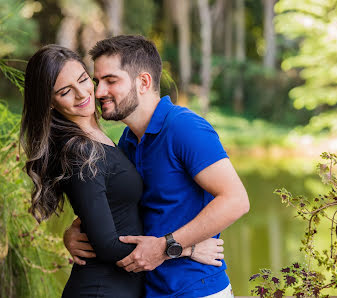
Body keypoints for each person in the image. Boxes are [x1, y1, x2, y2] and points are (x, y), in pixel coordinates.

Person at [20, 44, 226, 298]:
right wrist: (186, 249)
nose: (83, 93)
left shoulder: (119, 139)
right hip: (102, 289)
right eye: (64, 92)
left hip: (156, 287)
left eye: (84, 80)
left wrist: (75, 230)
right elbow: (107, 245)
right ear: (49, 103)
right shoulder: (80, 150)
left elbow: (108, 208)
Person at [64, 35, 250, 297]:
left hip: (197, 289)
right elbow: (116, 208)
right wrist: (73, 233)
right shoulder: (127, 142)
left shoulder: (183, 127)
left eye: (111, 80)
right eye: (97, 81)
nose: (98, 91)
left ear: (143, 82)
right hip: (147, 289)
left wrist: (168, 246)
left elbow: (236, 200)